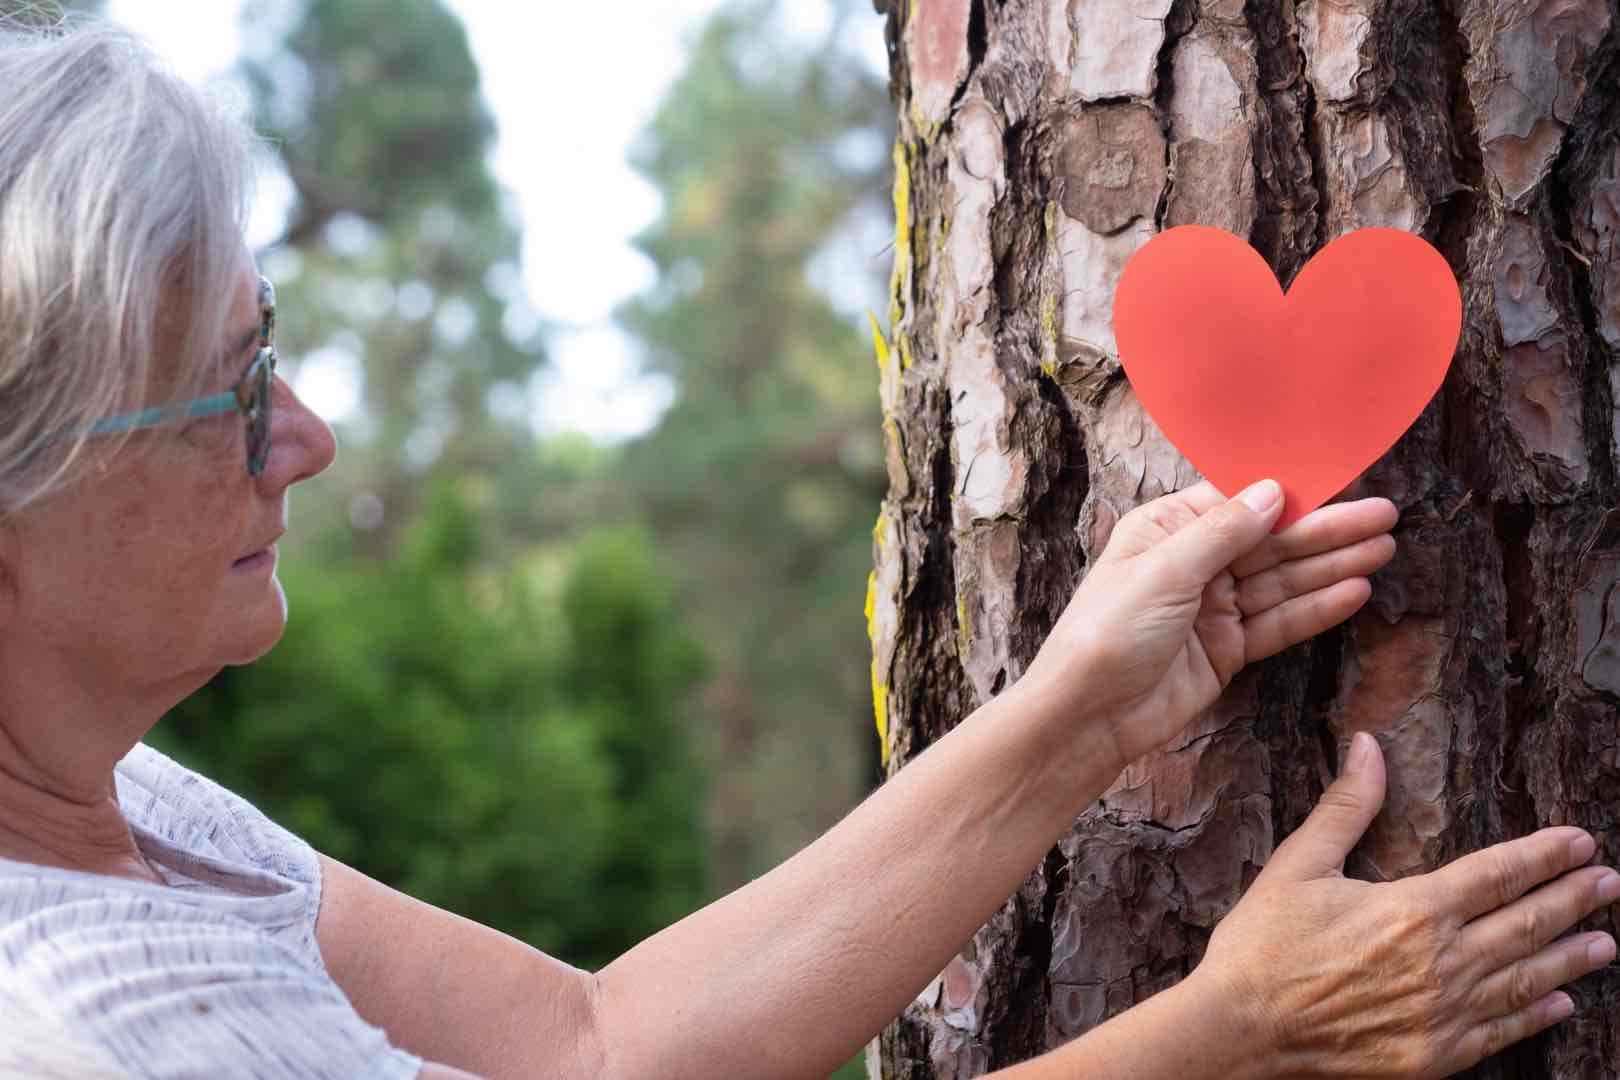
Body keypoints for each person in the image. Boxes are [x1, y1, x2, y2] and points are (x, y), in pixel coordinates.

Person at [0, 16, 1612, 1080]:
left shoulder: (127, 804)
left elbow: (595, 1047)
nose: (306, 439)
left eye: (268, 348)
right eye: (227, 395)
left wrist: (1084, 713)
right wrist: (1236, 1033)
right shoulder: (89, 1021)